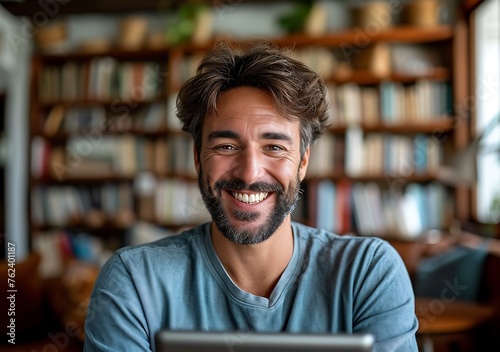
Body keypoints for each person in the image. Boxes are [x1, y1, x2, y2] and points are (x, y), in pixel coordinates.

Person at [84, 42, 419, 351]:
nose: (249, 173)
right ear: (198, 157)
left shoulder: (368, 273)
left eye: (274, 147)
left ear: (303, 162)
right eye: (227, 146)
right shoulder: (134, 282)